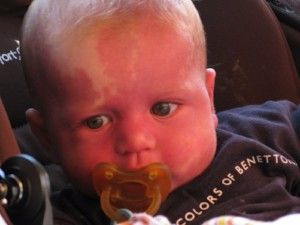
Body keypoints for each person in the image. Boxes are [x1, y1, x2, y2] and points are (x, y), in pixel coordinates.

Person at [19, 0, 300, 224]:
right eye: (96, 121)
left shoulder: (266, 133)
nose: (135, 141)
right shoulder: (64, 216)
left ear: (208, 96)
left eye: (162, 108)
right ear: (47, 137)